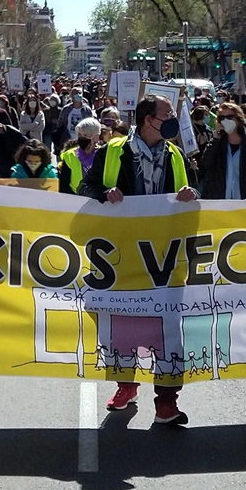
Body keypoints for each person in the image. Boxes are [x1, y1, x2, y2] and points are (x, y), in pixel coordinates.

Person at [80, 96, 199, 425]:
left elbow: (192, 193)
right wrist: (104, 194)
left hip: (165, 256)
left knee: (167, 330)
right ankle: (126, 386)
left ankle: (166, 402)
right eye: (168, 114)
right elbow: (84, 187)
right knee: (125, 326)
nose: (173, 118)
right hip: (122, 255)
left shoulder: (176, 155)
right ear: (149, 119)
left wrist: (191, 194)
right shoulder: (114, 151)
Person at [196, 102, 246, 199]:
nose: (225, 120)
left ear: (238, 119)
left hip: (245, 200)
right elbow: (205, 164)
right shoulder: (217, 143)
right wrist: (216, 139)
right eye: (222, 118)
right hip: (221, 200)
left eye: (229, 117)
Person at [59, 117, 107, 195]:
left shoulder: (103, 154)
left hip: (97, 199)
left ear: (96, 137)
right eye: (80, 135)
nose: (82, 138)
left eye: (86, 135)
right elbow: (64, 185)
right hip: (75, 199)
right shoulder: (69, 155)